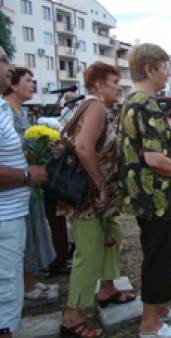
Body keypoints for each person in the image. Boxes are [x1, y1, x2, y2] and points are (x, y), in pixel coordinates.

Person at [117, 43, 171, 338]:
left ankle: (160, 309)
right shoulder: (145, 104)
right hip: (155, 197)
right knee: (158, 257)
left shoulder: (131, 101)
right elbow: (154, 158)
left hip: (147, 194)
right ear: (150, 69)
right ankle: (150, 325)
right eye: (164, 67)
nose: (167, 74)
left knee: (160, 253)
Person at [59, 62, 135, 338]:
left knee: (111, 236)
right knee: (88, 253)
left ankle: (106, 289)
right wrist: (101, 186)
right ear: (99, 85)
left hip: (98, 197)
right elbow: (82, 147)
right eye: (114, 82)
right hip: (89, 197)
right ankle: (72, 317)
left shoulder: (92, 107)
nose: (118, 87)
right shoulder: (95, 107)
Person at [0, 46, 47, 338]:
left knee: (10, 288)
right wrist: (28, 175)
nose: (9, 65)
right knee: (4, 292)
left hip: (12, 215)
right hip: (3, 219)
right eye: (3, 59)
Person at [4, 67, 57, 301]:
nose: (33, 85)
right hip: (12, 188)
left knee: (32, 231)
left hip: (27, 186)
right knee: (22, 235)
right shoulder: (6, 112)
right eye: (27, 81)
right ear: (13, 85)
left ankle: (30, 279)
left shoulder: (21, 112)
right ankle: (25, 284)